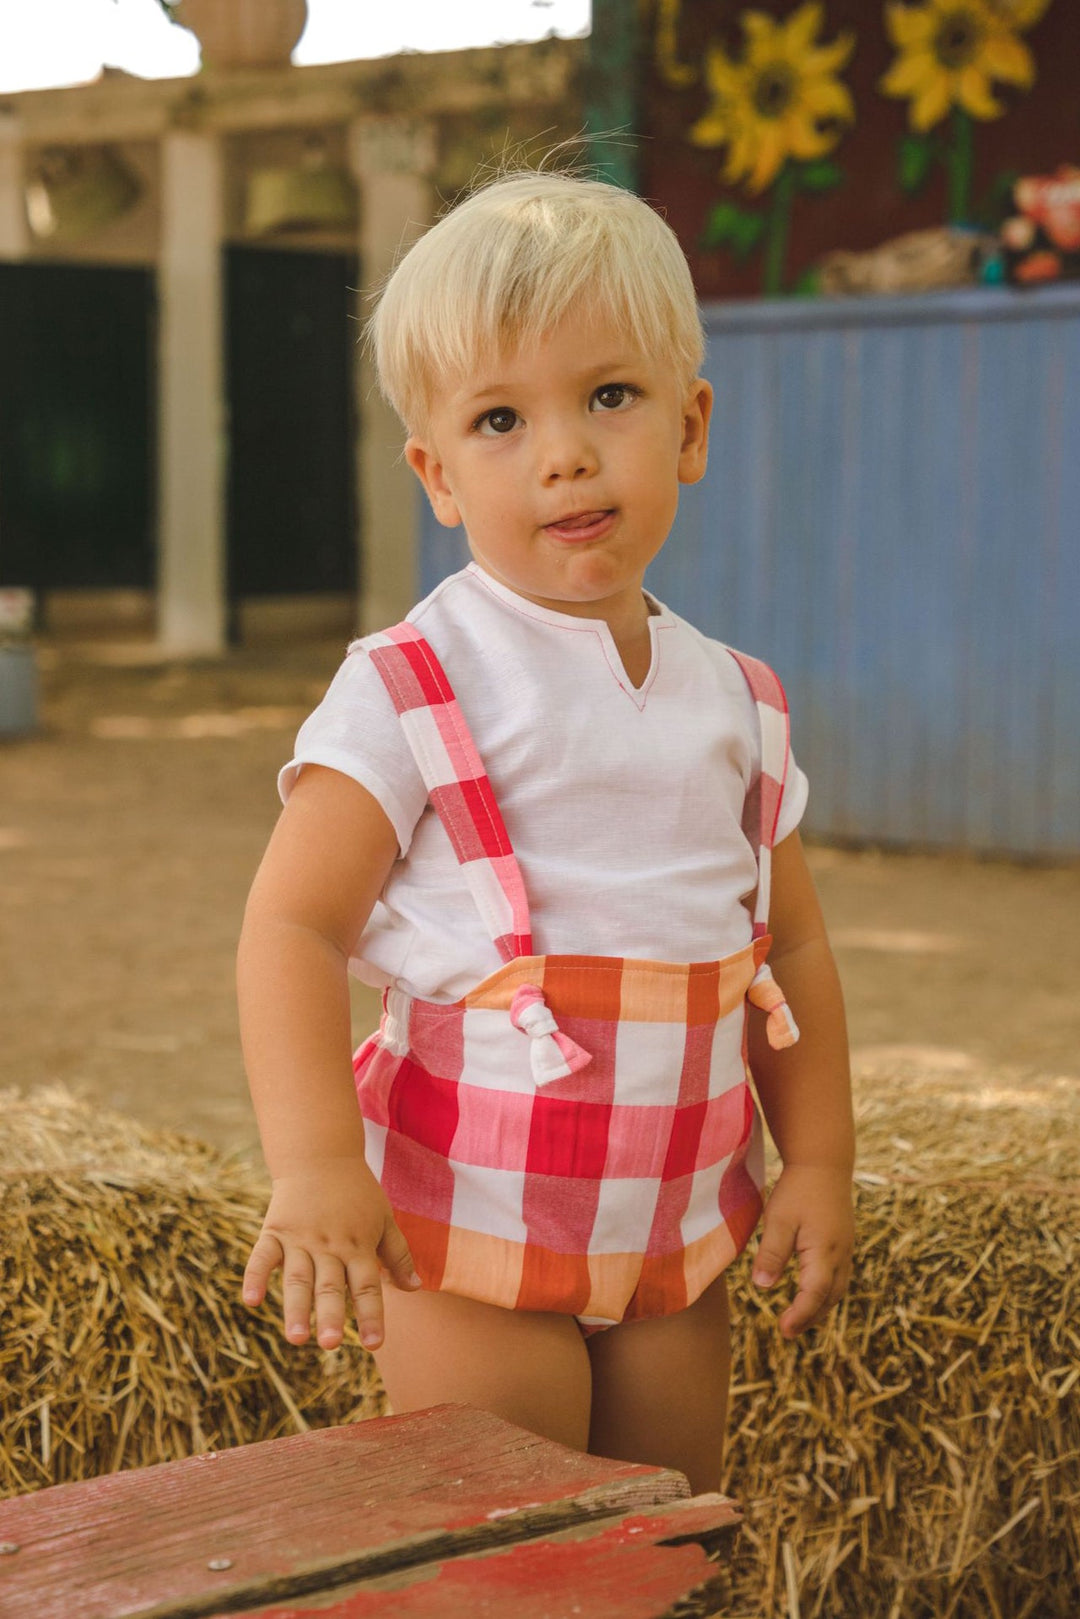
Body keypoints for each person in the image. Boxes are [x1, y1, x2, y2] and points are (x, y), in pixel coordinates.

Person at [237, 170, 855, 1495]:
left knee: (664, 1528)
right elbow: (291, 923)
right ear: (439, 475)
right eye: (502, 419)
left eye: (609, 398)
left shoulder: (738, 700)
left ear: (689, 425)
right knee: (510, 1541)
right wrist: (314, 1163)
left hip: (679, 1230)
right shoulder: (413, 684)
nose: (564, 452)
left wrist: (819, 1157)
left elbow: (786, 949)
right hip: (474, 1230)